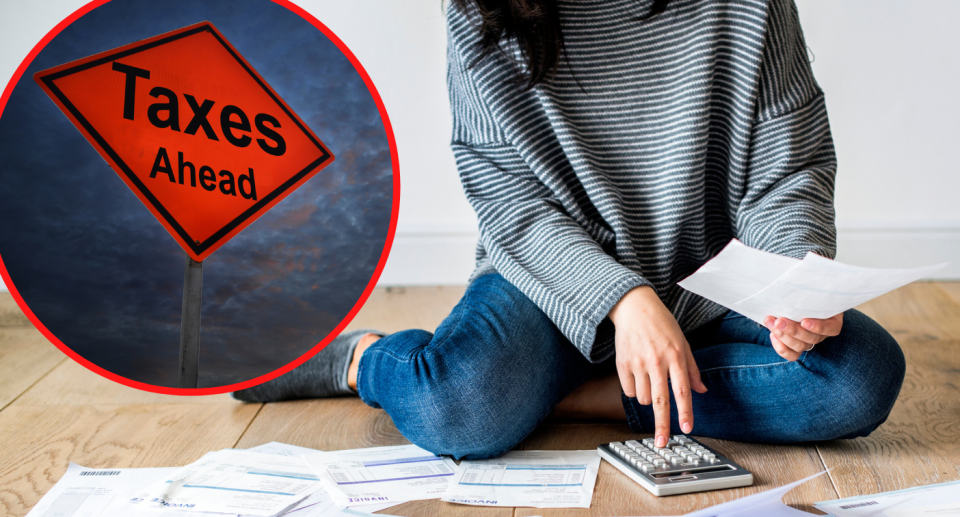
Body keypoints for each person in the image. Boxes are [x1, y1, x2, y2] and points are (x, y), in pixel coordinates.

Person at [234, 0, 906, 458]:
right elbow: (506, 194)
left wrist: (791, 282)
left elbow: (790, 157)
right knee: (458, 405)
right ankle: (361, 360)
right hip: (549, 283)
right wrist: (624, 300)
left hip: (709, 288)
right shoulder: (483, 9)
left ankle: (577, 396)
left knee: (859, 377)